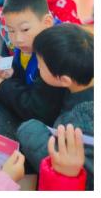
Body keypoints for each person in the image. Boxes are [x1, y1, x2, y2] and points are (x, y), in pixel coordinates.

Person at [17, 24, 93, 190]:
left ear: (64, 80)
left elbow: (58, 161)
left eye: (40, 64)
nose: (37, 67)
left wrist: (28, 129)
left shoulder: (78, 123)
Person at [0, 0, 68, 126]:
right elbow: (27, 76)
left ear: (47, 22)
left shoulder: (56, 54)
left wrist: (3, 86)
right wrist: (13, 73)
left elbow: (39, 111)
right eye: (11, 30)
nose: (18, 39)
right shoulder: (30, 42)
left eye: (25, 29)